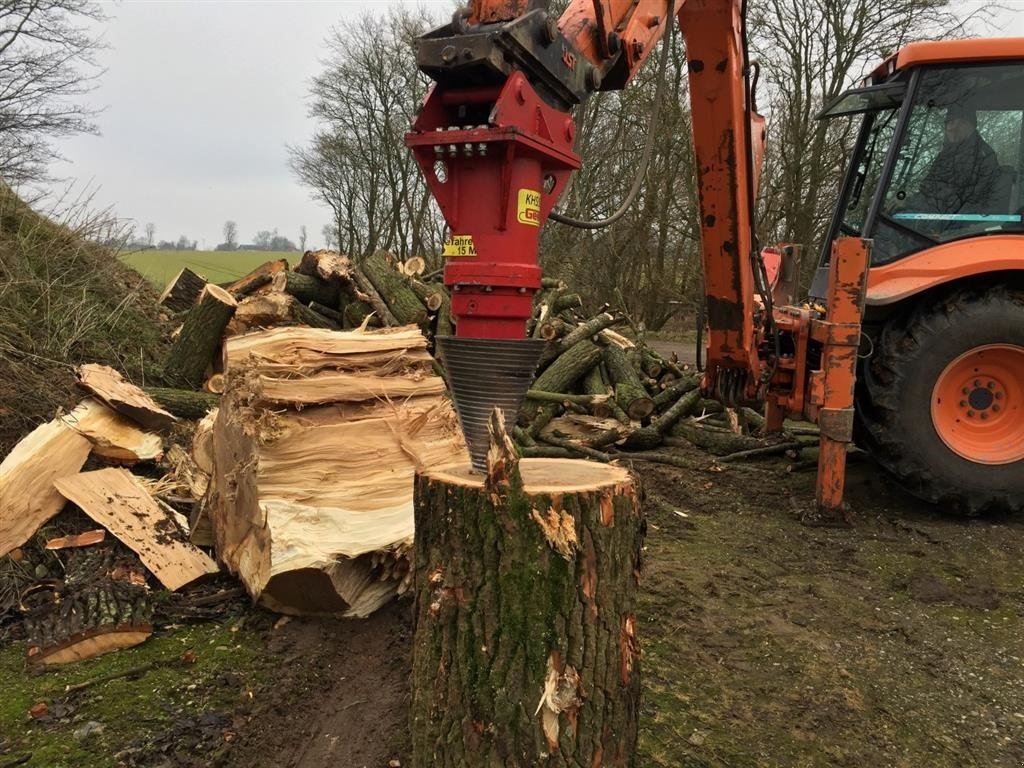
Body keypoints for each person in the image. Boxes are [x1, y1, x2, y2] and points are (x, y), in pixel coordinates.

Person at [912, 105, 1001, 215]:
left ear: (967, 123)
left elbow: (967, 199)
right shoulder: (945, 156)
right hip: (937, 218)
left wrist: (920, 204)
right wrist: (908, 202)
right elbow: (927, 188)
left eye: (953, 122)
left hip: (964, 224)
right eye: (948, 123)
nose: (949, 128)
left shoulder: (984, 157)